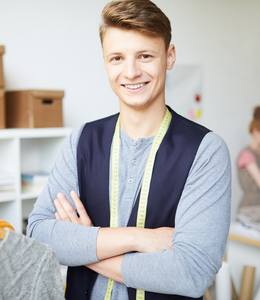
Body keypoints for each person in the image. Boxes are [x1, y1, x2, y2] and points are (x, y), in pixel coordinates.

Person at [27, 1, 231, 299]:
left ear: (169, 57)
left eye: (145, 56)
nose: (131, 72)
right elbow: (39, 236)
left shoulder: (206, 151)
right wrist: (141, 238)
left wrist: (84, 245)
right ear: (105, 62)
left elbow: (192, 272)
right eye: (117, 58)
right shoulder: (82, 140)